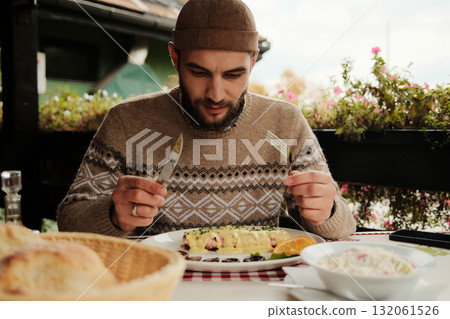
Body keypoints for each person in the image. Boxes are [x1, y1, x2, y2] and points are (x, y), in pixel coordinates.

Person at [57, 0, 356, 239]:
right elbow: (70, 218)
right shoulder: (126, 120)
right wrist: (111, 214)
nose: (215, 94)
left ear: (252, 60)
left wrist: (326, 211)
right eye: (199, 72)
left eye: (233, 74)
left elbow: (343, 227)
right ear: (175, 58)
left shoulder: (285, 121)